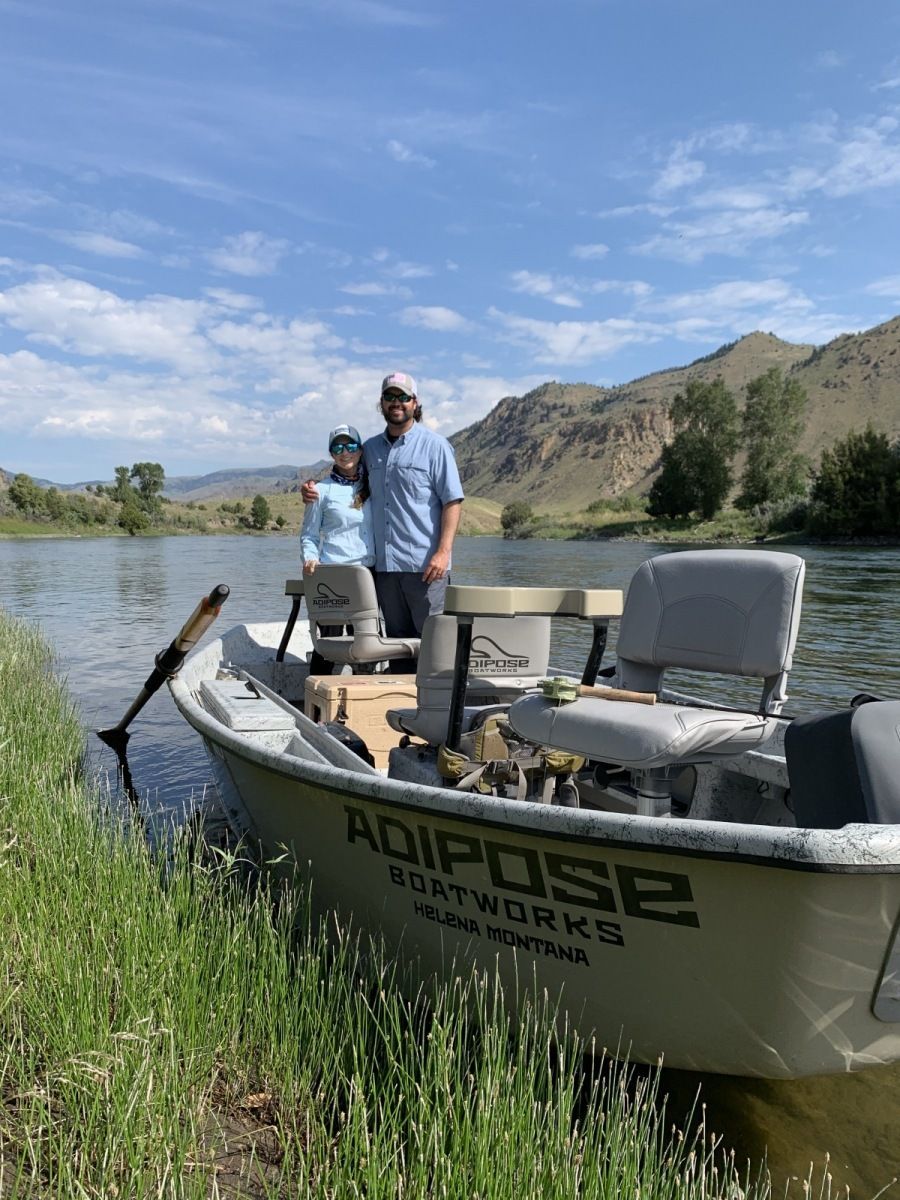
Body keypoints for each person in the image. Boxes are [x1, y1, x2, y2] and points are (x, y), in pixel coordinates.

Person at [302, 372, 464, 671]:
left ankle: (437, 711)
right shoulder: (371, 449)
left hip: (426, 568)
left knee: (435, 648)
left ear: (415, 403)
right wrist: (312, 489)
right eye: (390, 397)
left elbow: (452, 501)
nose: (396, 403)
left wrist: (443, 552)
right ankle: (400, 712)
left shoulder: (436, 446)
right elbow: (345, 470)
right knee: (397, 647)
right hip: (385, 572)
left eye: (403, 397)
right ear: (382, 404)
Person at [300, 423, 374, 675]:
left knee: (367, 644)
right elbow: (309, 535)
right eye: (338, 447)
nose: (346, 451)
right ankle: (317, 695)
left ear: (360, 449)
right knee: (329, 643)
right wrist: (310, 557)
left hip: (368, 574)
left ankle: (364, 697)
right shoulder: (320, 491)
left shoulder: (375, 486)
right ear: (331, 453)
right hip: (332, 574)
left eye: (351, 445)